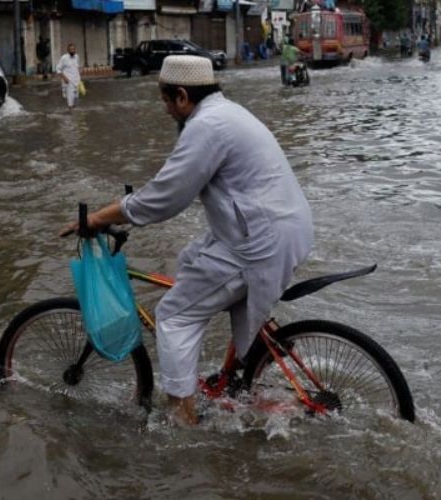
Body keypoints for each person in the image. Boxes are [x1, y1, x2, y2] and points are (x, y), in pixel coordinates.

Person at [59, 55, 313, 425]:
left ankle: (182, 414)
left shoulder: (207, 126)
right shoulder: (227, 113)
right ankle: (238, 378)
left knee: (173, 315)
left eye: (165, 101)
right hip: (275, 227)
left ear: (181, 96)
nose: (165, 111)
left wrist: (98, 218)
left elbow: (165, 196)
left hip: (258, 240)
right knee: (190, 258)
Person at [55, 43, 81, 111]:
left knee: (76, 99)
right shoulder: (64, 58)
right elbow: (58, 69)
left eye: (74, 49)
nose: (73, 51)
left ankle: (74, 117)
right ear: (68, 50)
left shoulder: (77, 57)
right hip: (68, 82)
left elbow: (77, 67)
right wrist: (65, 78)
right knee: (70, 101)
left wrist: (80, 79)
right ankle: (70, 117)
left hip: (76, 81)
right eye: (71, 49)